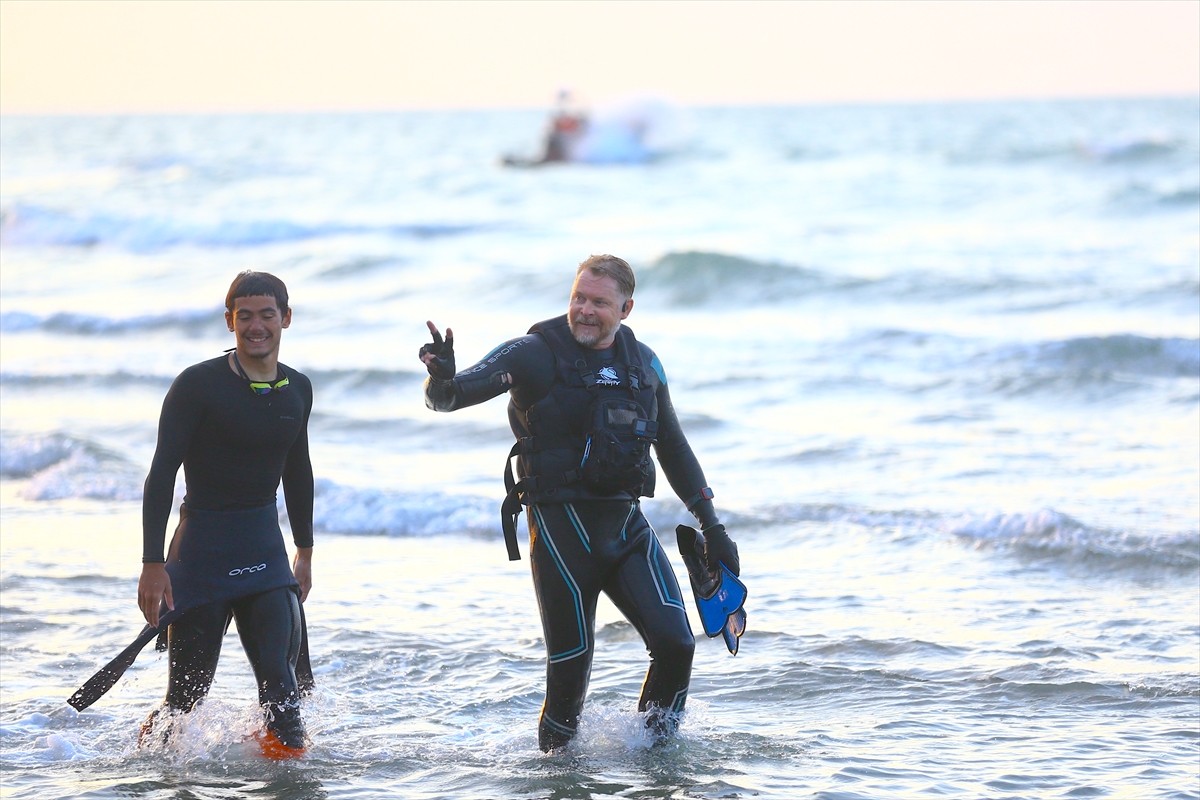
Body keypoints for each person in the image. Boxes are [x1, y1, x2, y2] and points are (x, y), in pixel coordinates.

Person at [419, 254, 740, 752]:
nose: (584, 311)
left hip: (626, 529)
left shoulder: (645, 364)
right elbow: (450, 398)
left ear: (626, 309)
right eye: (578, 298)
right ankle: (556, 778)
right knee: (570, 673)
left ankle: (657, 761)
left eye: (599, 302)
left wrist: (712, 526)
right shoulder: (532, 353)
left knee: (677, 645)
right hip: (560, 534)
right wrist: (440, 377)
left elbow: (673, 447)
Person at [69, 271, 316, 758]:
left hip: (265, 556)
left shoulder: (298, 390)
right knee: (186, 699)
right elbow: (161, 474)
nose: (256, 325)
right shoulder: (197, 385)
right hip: (202, 555)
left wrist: (304, 552)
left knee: (284, 699)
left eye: (267, 314)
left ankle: (288, 781)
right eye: (244, 316)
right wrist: (151, 565)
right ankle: (151, 768)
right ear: (230, 321)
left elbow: (299, 470)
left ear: (285, 318)